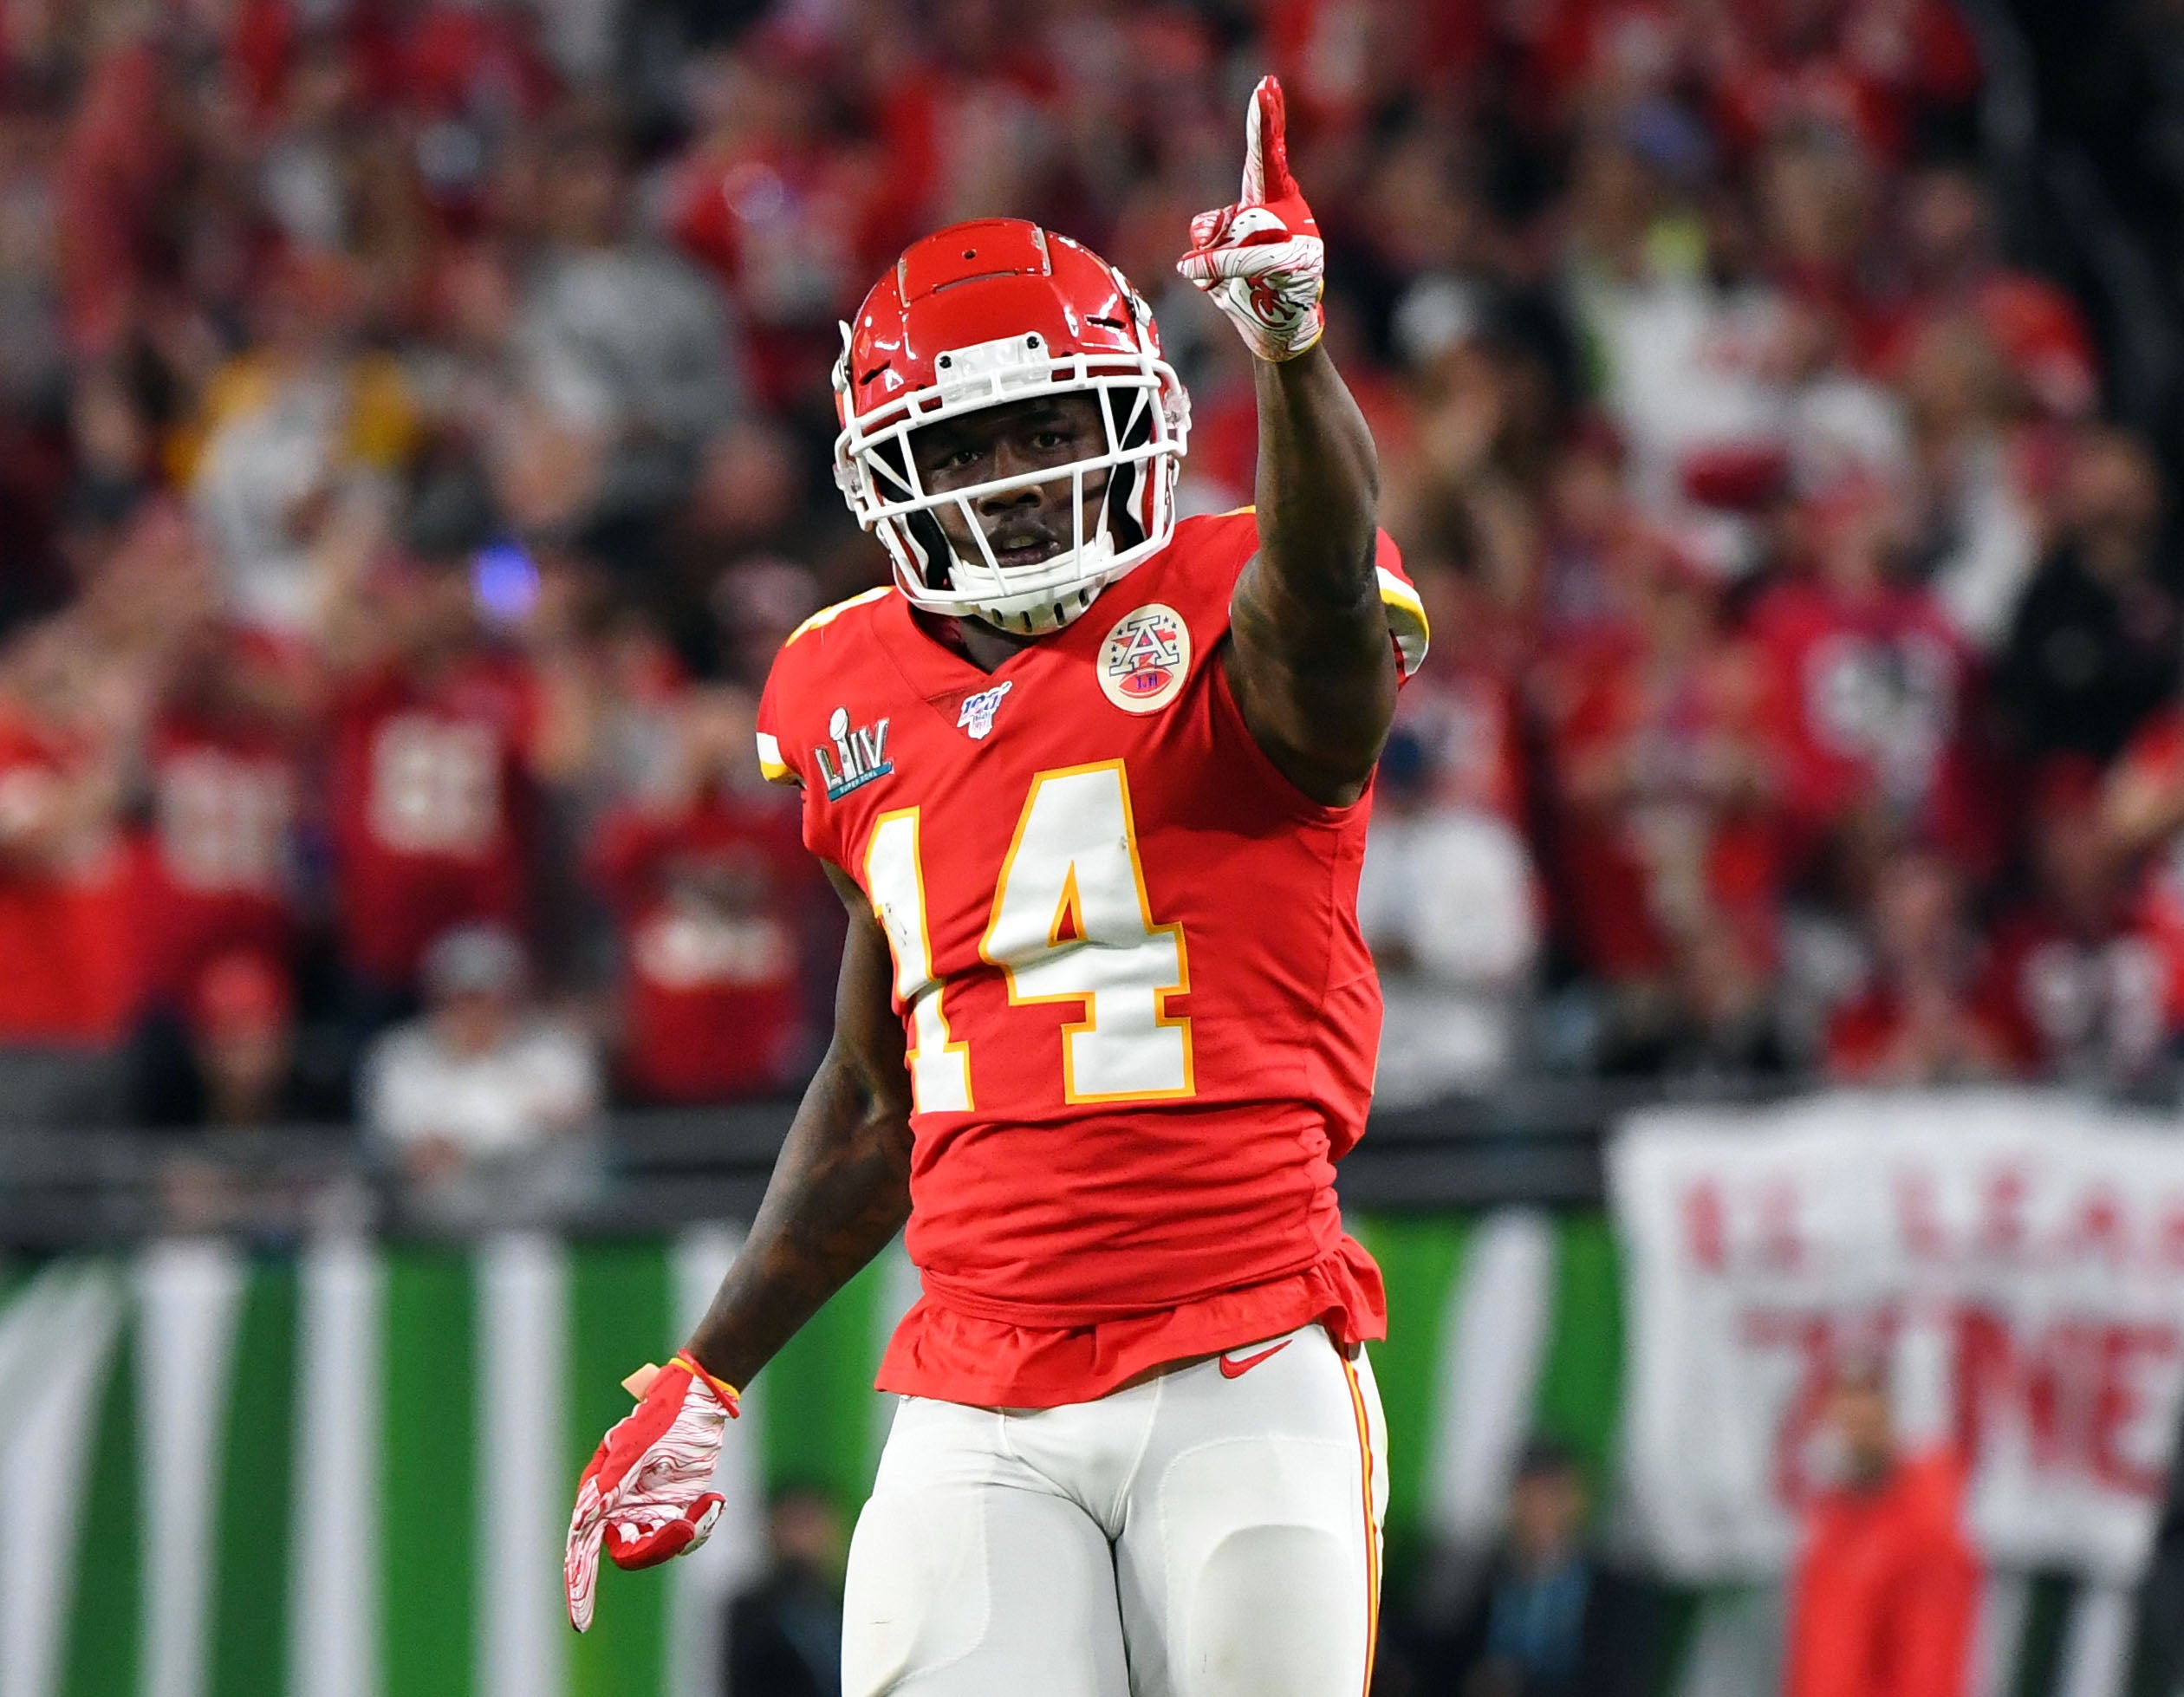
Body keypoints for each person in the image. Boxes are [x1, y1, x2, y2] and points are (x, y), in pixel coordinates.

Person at [563, 81, 1427, 1697]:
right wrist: (709, 1371)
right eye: (969, 444)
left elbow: (1322, 640)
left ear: (1139, 415)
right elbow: (880, 1086)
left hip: (1245, 1343)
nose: (1021, 477)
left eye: (1048, 427)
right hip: (974, 1380)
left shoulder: (1242, 582)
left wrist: (1294, 361)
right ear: (884, 471)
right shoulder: (838, 683)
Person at [359, 922, 601, 1225]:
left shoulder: (555, 1049)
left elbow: (572, 1117)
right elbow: (413, 1150)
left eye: (487, 995)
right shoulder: (400, 1056)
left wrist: (465, 1142)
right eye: (462, 996)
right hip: (440, 1227)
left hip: (550, 1216)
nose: (475, 1010)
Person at [1785, 1360, 1980, 1697]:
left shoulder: (1927, 1518)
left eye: (1863, 1412)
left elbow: (1927, 1666)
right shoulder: (1832, 1516)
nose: (1850, 1427)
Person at [1440, 1440, 1654, 1697]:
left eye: (1551, 1495)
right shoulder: (1485, 1580)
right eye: (1530, 1495)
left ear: (1577, 1500)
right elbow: (1450, 1657)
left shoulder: (1614, 1594)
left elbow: (1616, 1680)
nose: (1539, 1509)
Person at [725, 1486, 846, 1697]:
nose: (804, 1539)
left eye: (812, 1524)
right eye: (797, 1525)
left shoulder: (843, 1607)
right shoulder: (752, 1613)